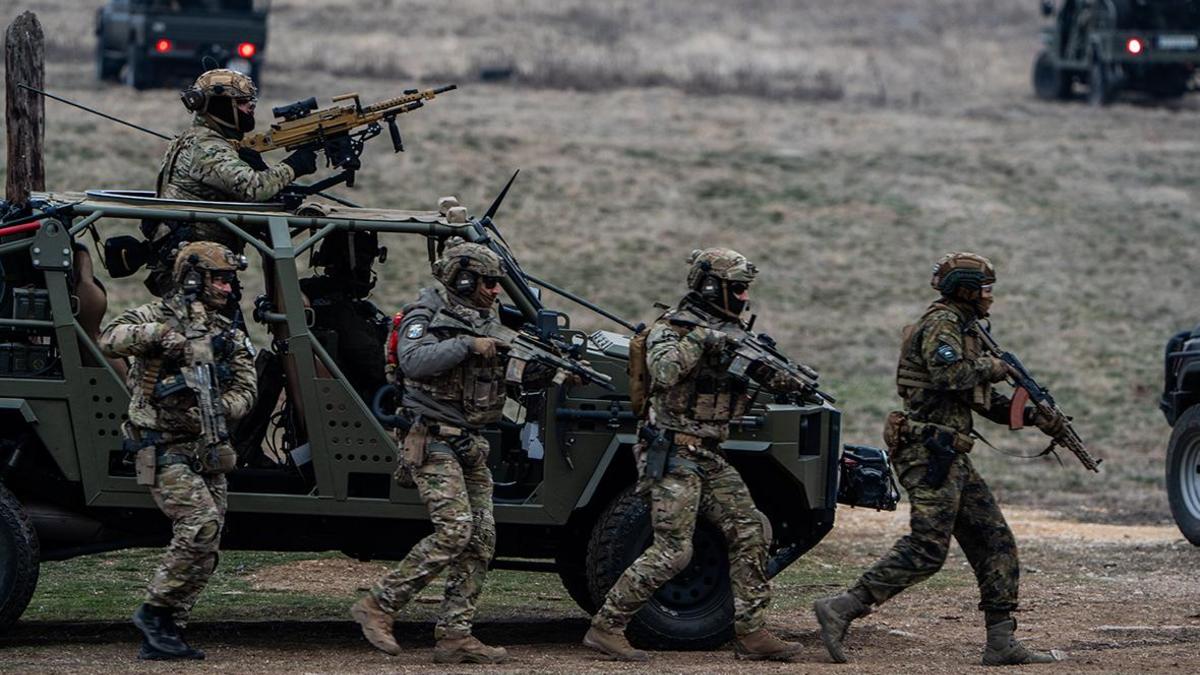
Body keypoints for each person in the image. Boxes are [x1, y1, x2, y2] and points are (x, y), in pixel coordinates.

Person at [813, 252, 1064, 666]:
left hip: (951, 454)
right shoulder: (941, 324)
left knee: (995, 541)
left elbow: (982, 400)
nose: (990, 297)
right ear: (965, 290)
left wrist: (1037, 417)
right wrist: (994, 367)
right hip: (928, 452)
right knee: (927, 549)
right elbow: (950, 375)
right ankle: (842, 607)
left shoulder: (965, 330)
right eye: (985, 289)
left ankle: (1001, 641)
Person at [583, 248, 807, 662]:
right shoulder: (674, 327)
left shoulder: (733, 334)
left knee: (750, 530)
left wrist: (777, 372)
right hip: (672, 452)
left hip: (707, 455)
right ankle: (607, 627)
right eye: (736, 288)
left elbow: (773, 382)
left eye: (745, 289)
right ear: (710, 286)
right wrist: (706, 339)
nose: (743, 297)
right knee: (674, 550)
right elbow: (665, 371)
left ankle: (751, 632)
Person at [350, 238, 556, 664]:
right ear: (462, 280)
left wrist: (540, 372)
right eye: (488, 282)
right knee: (454, 532)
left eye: (497, 283)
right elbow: (414, 361)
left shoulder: (484, 319)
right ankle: (379, 604)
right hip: (431, 439)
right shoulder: (424, 314)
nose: (495, 291)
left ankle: (455, 634)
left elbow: (502, 381)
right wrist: (468, 345)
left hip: (470, 443)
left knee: (481, 540)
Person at [99, 242, 257, 660]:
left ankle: (168, 630)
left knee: (208, 545)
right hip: (161, 444)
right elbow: (109, 339)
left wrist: (219, 406)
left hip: (206, 447)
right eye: (219, 279)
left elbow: (247, 389)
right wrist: (159, 337)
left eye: (230, 280)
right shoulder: (153, 316)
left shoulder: (227, 333)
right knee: (200, 525)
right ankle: (153, 612)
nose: (227, 288)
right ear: (193, 278)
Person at [144, 68, 317, 297]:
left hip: (204, 261)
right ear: (219, 106)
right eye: (242, 102)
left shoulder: (202, 139)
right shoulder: (207, 147)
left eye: (251, 101)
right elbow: (254, 188)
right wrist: (294, 165)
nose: (250, 108)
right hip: (195, 270)